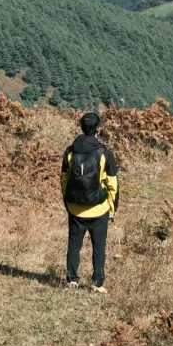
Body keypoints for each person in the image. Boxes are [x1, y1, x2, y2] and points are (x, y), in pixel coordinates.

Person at [61, 110, 118, 293]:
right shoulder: (104, 153)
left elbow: (64, 180)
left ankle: (72, 279)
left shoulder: (70, 152)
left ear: (81, 128)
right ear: (98, 130)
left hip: (75, 208)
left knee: (74, 245)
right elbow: (112, 183)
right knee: (99, 246)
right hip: (98, 208)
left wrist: (68, 202)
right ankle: (97, 282)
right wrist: (111, 208)